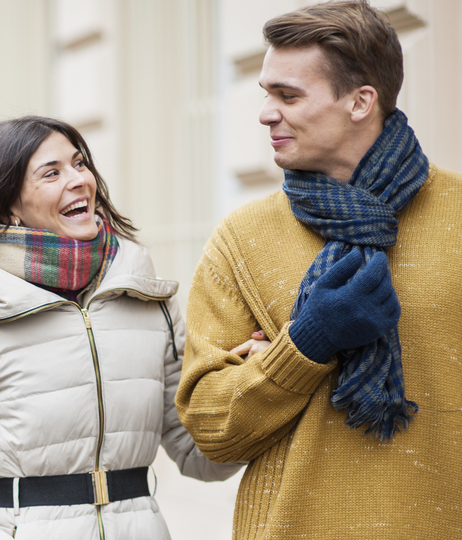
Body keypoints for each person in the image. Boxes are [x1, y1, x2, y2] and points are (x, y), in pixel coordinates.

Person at [176, 1, 462, 538]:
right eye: (266, 94)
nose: (265, 113)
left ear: (360, 101)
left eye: (287, 95)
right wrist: (305, 345)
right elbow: (211, 432)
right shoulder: (242, 239)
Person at [0, 116, 242, 539]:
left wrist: (250, 385)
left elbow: (199, 456)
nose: (78, 180)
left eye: (79, 163)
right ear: (9, 206)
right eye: (51, 173)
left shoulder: (152, 305)